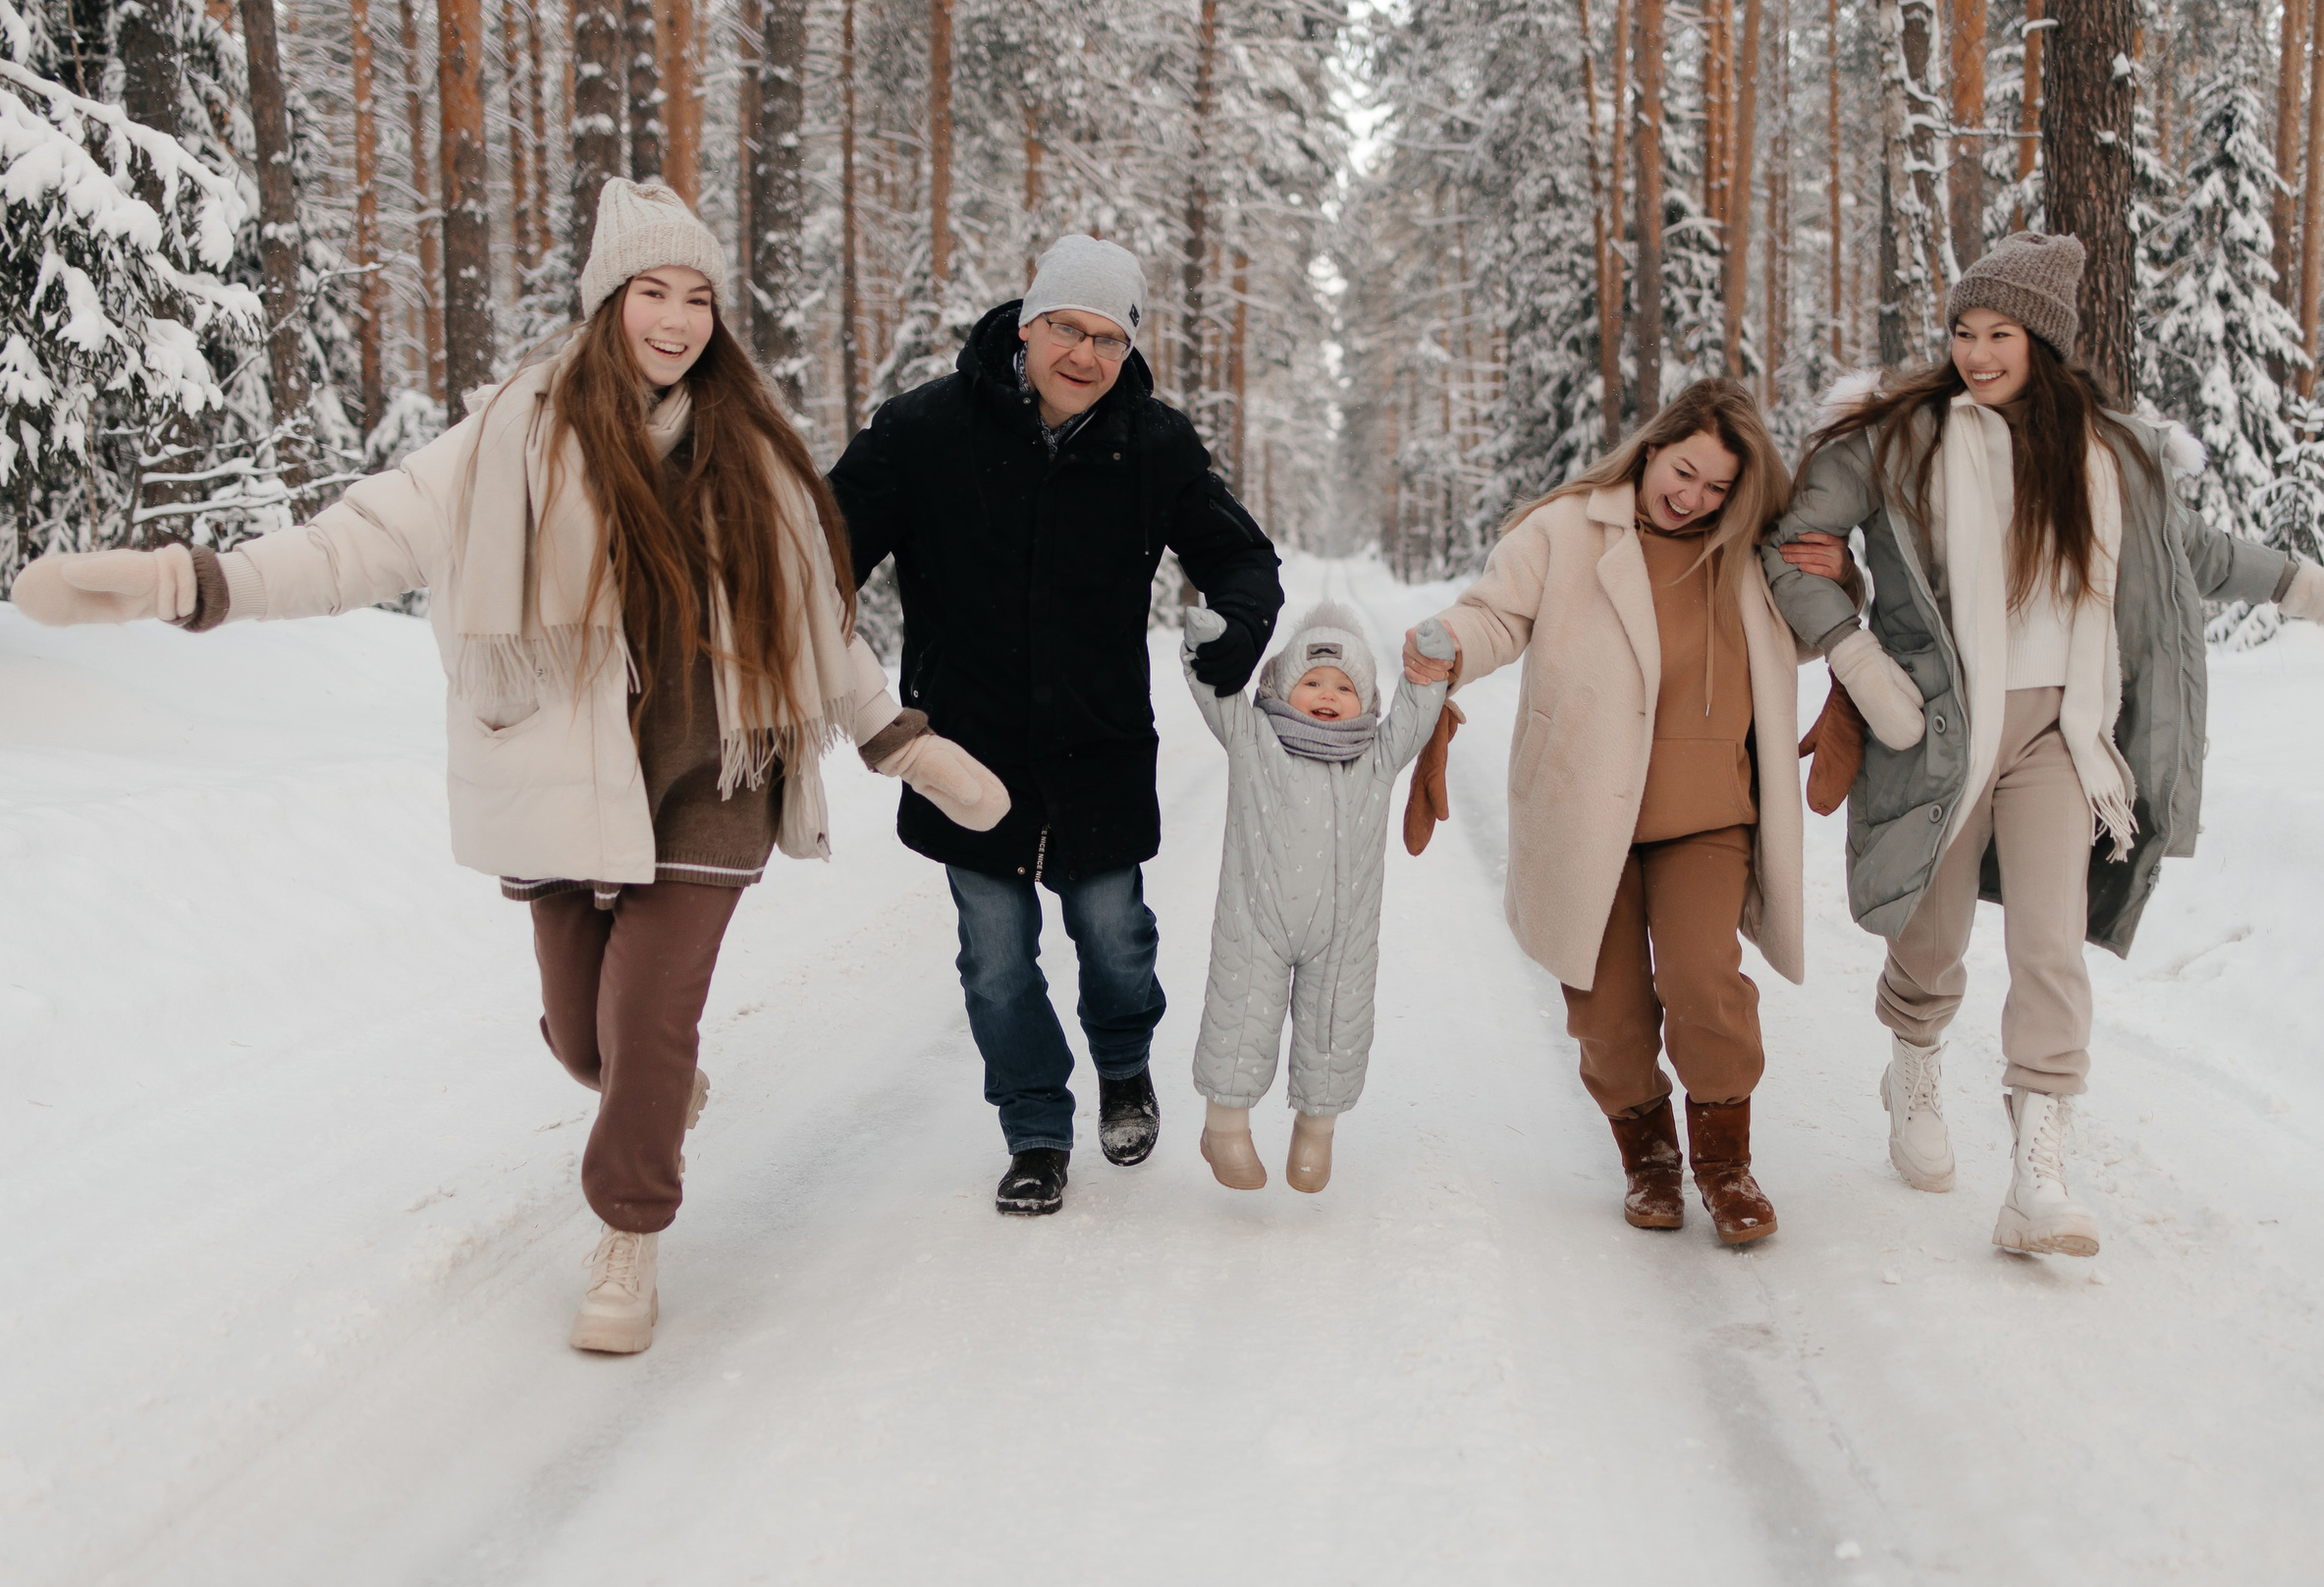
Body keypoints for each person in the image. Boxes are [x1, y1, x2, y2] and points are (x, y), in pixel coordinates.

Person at [8, 178, 1007, 1353]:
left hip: (711, 775)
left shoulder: (756, 456)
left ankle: (629, 1232)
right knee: (586, 1040)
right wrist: (194, 582)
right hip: (560, 775)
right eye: (653, 292)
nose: (678, 320)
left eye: (697, 296)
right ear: (607, 303)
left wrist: (902, 738)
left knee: (648, 1019)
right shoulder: (508, 435)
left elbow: (816, 625)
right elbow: (361, 541)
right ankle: (648, 1096)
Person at [1763, 231, 2324, 1257]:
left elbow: (2191, 552)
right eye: (1963, 331)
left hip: (2065, 732)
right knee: (1928, 935)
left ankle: (2038, 1170)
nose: (1976, 353)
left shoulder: (2106, 454)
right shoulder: (1897, 441)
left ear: (2045, 343)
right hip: (1936, 726)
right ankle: (1914, 1054)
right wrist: (1854, 655)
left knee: (2049, 942)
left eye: (2000, 334)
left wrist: (2315, 592)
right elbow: (1791, 543)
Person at [828, 235, 1283, 1217]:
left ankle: (1122, 1065)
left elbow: (1242, 556)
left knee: (1113, 933)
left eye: (1109, 339)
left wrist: (1238, 626)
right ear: (1027, 324)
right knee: (995, 957)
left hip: (1097, 744)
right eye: (1069, 329)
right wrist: (814, 648)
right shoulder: (922, 431)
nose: (1086, 354)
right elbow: (821, 550)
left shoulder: (1151, 444)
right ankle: (1035, 1126)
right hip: (965, 749)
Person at [1404, 379, 1818, 1244]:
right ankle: (1650, 1160)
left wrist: (1837, 568)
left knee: (1703, 981)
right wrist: (1447, 644)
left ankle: (1725, 1164)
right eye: (1685, 471)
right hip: (1583, 806)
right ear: (1652, 448)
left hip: (1707, 813)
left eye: (1716, 488)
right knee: (1608, 1010)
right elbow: (1496, 616)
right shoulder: (1564, 528)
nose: (1694, 497)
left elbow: (1815, 625)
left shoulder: (1747, 550)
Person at [1181, 602, 1452, 1193]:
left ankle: (1315, 1133)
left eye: (1345, 686)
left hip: (1343, 933)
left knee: (1335, 1032)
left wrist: (1428, 669)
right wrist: (1207, 649)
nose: (1328, 694)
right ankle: (1224, 1129)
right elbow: (1218, 696)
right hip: (1256, 923)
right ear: (1280, 686)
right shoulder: (1255, 742)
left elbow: (1412, 719)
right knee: (1241, 1019)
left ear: (1367, 702)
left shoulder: (1374, 760)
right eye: (1311, 682)